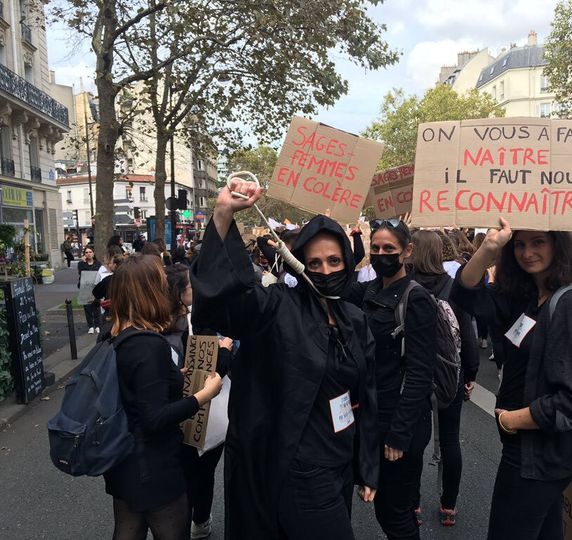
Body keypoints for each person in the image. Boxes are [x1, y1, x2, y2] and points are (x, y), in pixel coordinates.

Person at [191, 179, 378, 539]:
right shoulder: (278, 308)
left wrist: (367, 465)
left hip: (338, 462)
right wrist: (223, 214)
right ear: (301, 264)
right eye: (315, 262)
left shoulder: (355, 320)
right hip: (298, 469)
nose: (325, 270)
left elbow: (367, 394)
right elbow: (230, 299)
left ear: (348, 260)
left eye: (334, 260)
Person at [451, 218, 572, 540]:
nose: (526, 252)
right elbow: (465, 297)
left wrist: (513, 420)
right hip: (527, 448)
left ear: (557, 245)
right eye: (519, 244)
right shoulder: (525, 297)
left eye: (538, 242)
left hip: (539, 453)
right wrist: (490, 248)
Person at [103, 254, 222, 540]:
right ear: (150, 292)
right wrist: (204, 395)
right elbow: (154, 418)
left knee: (128, 529)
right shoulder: (148, 345)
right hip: (154, 465)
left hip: (122, 459)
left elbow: (137, 388)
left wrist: (170, 375)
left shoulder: (115, 335)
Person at [345, 218, 436, 540]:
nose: (382, 254)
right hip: (370, 413)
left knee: (393, 511)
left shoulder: (417, 299)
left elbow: (419, 372)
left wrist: (399, 435)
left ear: (407, 251)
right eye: (376, 248)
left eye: (389, 249)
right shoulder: (369, 289)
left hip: (399, 421)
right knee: (394, 506)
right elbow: (328, 283)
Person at [410, 229, 479, 526]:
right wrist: (470, 373)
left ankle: (412, 503)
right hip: (451, 372)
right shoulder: (455, 288)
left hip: (413, 374)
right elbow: (468, 335)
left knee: (414, 440)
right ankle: (448, 505)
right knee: (451, 439)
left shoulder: (405, 286)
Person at [164, 264, 233, 539]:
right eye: (192, 287)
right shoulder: (192, 326)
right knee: (202, 472)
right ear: (180, 294)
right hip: (197, 413)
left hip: (169, 417)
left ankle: (180, 522)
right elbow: (208, 373)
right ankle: (199, 522)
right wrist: (225, 351)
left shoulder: (156, 325)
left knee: (182, 475)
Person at [78, 246, 102, 334]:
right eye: (86, 252)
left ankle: (98, 325)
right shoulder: (81, 264)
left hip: (95, 288)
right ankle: (90, 326)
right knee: (87, 308)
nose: (88, 254)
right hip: (85, 287)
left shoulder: (98, 264)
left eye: (90, 252)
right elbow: (81, 273)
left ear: (93, 253)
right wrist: (84, 262)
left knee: (96, 307)